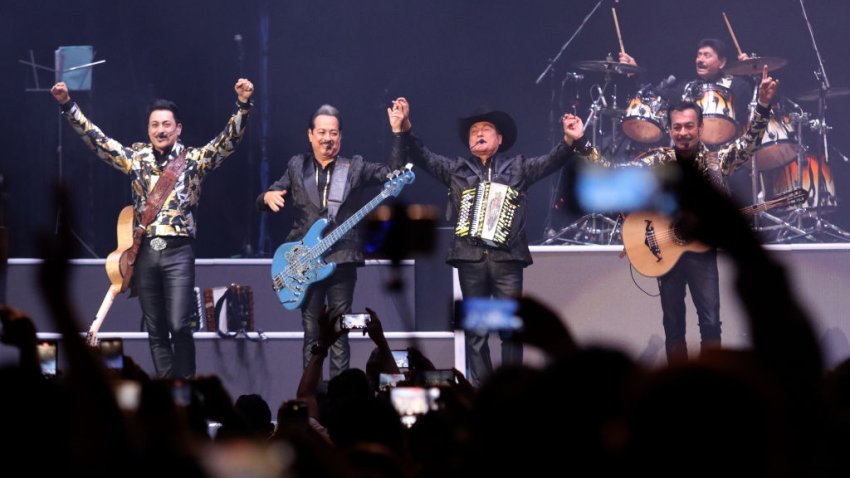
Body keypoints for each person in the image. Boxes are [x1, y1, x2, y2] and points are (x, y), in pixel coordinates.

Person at [50, 78, 255, 379]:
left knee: (178, 325)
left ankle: (185, 394)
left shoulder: (194, 160)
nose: (160, 130)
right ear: (148, 130)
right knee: (155, 328)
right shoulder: (136, 159)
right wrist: (68, 105)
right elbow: (99, 142)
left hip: (178, 251)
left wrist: (243, 104)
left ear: (178, 128)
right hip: (144, 252)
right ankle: (167, 395)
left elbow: (228, 141)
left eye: (166, 125)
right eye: (155, 125)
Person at [387, 97, 588, 386]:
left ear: (500, 138)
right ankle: (481, 389)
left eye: (485, 129)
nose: (479, 133)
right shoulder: (456, 169)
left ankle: (512, 387)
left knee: (510, 328)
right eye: (473, 131)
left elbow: (550, 162)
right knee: (477, 330)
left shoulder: (518, 167)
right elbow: (422, 155)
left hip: (507, 260)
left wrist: (569, 141)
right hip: (471, 259)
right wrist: (405, 129)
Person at [585, 66, 780, 363]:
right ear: (670, 129)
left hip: (702, 252)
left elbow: (748, 145)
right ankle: (680, 390)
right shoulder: (657, 161)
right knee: (673, 325)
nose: (683, 132)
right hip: (664, 248)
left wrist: (763, 106)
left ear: (700, 129)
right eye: (677, 127)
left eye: (689, 126)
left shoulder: (716, 160)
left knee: (711, 322)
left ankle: (710, 381)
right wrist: (581, 144)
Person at [257, 104, 392, 378]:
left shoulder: (354, 167)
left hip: (341, 259)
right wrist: (267, 197)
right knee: (312, 331)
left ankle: (338, 396)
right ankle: (312, 393)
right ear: (310, 135)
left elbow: (391, 172)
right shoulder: (297, 165)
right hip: (304, 262)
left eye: (333, 133)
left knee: (340, 330)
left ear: (340, 137)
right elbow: (270, 193)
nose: (327, 138)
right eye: (321, 132)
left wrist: (399, 134)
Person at [620, 38, 755, 140]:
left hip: (729, 154)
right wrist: (635, 72)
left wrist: (752, 72)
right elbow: (657, 95)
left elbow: (755, 111)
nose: (699, 60)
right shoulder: (688, 87)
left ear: (722, 62)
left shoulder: (738, 85)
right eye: (698, 55)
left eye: (706, 55)